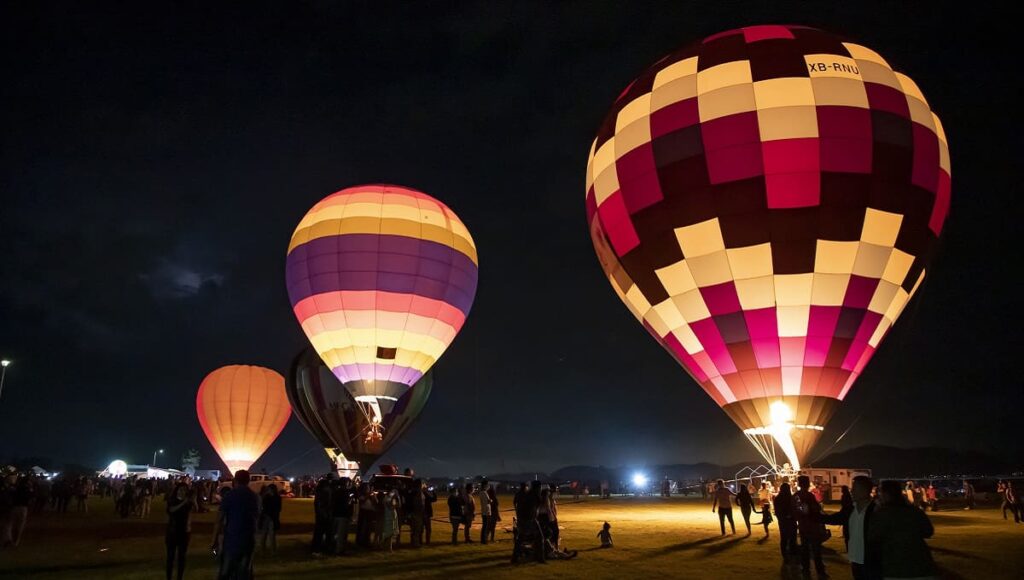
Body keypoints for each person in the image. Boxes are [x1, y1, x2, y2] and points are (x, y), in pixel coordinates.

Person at [868, 480, 937, 579]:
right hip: (921, 564)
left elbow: (873, 537)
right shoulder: (915, 511)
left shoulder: (881, 514)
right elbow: (928, 531)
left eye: (880, 492)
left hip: (895, 567)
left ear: (885, 494)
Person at [823, 475, 880, 580]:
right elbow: (834, 519)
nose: (852, 491)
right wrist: (811, 515)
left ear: (864, 491)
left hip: (871, 562)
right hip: (855, 560)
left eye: (854, 488)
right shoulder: (851, 509)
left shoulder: (876, 512)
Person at [213, 470, 260, 580]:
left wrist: (214, 540)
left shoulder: (229, 495)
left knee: (226, 572)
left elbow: (219, 519)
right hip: (248, 540)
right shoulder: (254, 497)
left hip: (232, 539)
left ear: (235, 480)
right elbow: (256, 518)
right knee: (244, 572)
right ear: (248, 481)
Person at [793, 475, 827, 578]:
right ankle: (820, 571)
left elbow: (795, 511)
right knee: (816, 550)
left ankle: (806, 569)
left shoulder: (796, 496)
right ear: (807, 484)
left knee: (805, 549)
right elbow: (816, 509)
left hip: (803, 526)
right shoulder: (809, 496)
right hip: (813, 526)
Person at [165, 482, 196, 580]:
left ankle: (180, 577)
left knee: (182, 558)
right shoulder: (172, 500)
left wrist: (193, 501)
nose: (182, 492)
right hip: (172, 532)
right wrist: (183, 503)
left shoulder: (188, 502)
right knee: (170, 557)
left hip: (183, 533)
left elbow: (193, 511)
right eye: (181, 490)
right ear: (177, 490)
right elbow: (171, 510)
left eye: (185, 490)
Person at [330, 478, 354, 553]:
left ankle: (333, 547)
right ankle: (339, 549)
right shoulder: (345, 492)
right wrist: (350, 500)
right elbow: (346, 504)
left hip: (336, 514)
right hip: (343, 515)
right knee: (341, 533)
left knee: (335, 532)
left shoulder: (336, 491)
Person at [258, 484, 281, 555]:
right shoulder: (267, 497)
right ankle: (263, 550)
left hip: (271, 518)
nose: (268, 491)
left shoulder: (276, 497)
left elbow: (278, 508)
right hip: (266, 517)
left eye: (269, 489)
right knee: (264, 534)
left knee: (271, 535)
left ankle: (272, 550)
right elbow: (262, 505)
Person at [10, 476, 33, 547]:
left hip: (15, 507)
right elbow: (30, 499)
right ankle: (16, 541)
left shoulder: (15, 488)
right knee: (20, 524)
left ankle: (11, 538)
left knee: (13, 523)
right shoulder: (28, 489)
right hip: (23, 507)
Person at [312, 479, 333, 554]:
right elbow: (323, 504)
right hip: (323, 515)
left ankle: (317, 548)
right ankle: (318, 549)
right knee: (322, 533)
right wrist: (325, 513)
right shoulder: (324, 492)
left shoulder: (319, 492)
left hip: (321, 515)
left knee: (319, 533)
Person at [479, 479, 493, 544]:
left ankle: (484, 539)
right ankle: (484, 540)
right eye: (487, 485)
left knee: (485, 526)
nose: (488, 486)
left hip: (485, 511)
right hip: (486, 512)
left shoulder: (484, 492)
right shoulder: (483, 493)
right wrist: (490, 500)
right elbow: (487, 502)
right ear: (485, 485)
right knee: (485, 527)